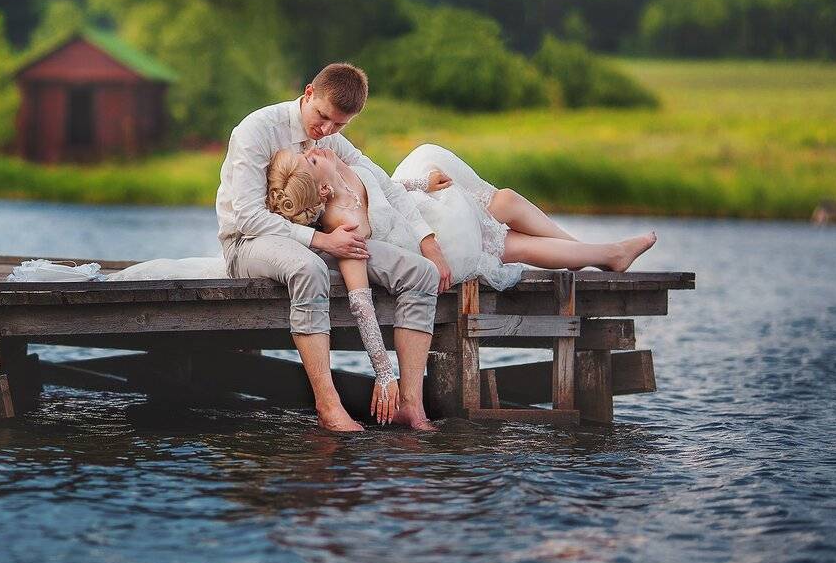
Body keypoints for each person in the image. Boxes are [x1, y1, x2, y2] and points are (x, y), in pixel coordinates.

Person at [267, 143, 658, 426]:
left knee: (503, 202)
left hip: (423, 216)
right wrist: (386, 374)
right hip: (436, 246)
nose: (314, 148)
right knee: (509, 238)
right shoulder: (344, 227)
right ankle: (606, 254)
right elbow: (361, 304)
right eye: (311, 158)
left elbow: (390, 189)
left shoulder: (346, 170)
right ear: (322, 191)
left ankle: (601, 252)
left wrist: (424, 183)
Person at [216, 62, 447, 433]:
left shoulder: (330, 141)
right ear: (308, 93)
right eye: (322, 116)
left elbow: (384, 184)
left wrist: (428, 242)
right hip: (250, 243)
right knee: (309, 269)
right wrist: (323, 240)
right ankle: (329, 406)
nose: (326, 130)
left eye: (339, 125)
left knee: (420, 273)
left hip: (319, 238)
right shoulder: (256, 130)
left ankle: (410, 404)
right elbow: (246, 216)